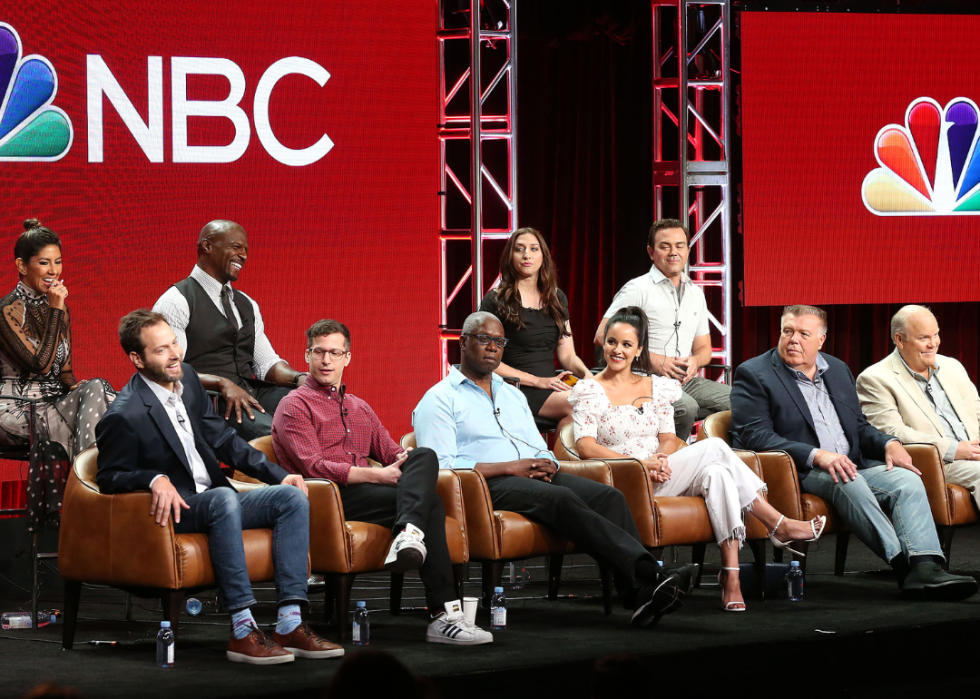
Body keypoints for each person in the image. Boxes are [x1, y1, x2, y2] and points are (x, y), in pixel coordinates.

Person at [413, 311, 699, 628]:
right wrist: (511, 467)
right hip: (486, 484)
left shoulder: (511, 394)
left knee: (609, 497)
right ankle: (652, 576)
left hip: (534, 474)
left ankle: (639, 596)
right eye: (484, 339)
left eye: (499, 341)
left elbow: (535, 444)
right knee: (561, 498)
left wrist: (546, 461)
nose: (493, 347)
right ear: (463, 343)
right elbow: (442, 467)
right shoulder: (439, 399)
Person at [96, 310, 342, 664]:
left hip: (216, 502)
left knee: (290, 498)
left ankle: (290, 622)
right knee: (224, 496)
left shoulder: (189, 380)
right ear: (137, 359)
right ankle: (242, 629)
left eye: (174, 344)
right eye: (161, 350)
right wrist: (153, 479)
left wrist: (277, 474)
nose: (174, 354)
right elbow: (109, 476)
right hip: (178, 510)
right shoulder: (125, 413)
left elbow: (225, 440)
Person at [571, 306, 824, 611]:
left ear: (639, 350)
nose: (617, 350)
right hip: (621, 479)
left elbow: (667, 438)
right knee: (714, 448)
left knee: (718, 472)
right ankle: (776, 523)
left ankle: (731, 578)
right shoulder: (590, 389)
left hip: (661, 474)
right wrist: (641, 464)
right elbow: (585, 446)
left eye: (626, 344)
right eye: (612, 342)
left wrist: (661, 460)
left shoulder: (656, 387)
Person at [730, 304, 977, 600]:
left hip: (853, 463)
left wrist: (888, 442)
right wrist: (817, 455)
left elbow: (859, 426)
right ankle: (904, 567)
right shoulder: (755, 373)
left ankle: (926, 565)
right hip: (801, 471)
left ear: (821, 340)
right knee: (846, 477)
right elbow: (755, 435)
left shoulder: (836, 369)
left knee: (906, 480)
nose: (793, 339)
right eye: (788, 331)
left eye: (803, 334)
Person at [271, 319, 493, 646]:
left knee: (425, 455)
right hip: (329, 498)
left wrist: (407, 460)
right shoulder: (294, 405)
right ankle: (444, 614)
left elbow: (391, 451)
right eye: (319, 352)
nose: (326, 361)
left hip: (370, 493)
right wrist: (378, 474)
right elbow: (313, 466)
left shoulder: (359, 407)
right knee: (430, 504)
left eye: (335, 353)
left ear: (348, 357)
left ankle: (410, 534)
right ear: (307, 356)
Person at [0, 219, 114, 531]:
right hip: (14, 409)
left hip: (52, 403)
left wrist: (84, 394)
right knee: (98, 399)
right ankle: (92, 498)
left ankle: (87, 495)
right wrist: (55, 311)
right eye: (44, 263)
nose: (54, 271)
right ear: (22, 266)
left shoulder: (58, 308)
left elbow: (64, 372)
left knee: (98, 388)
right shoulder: (7, 310)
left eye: (58, 262)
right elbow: (39, 364)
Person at [153, 220, 307, 440]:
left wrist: (300, 379)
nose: (243, 256)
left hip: (250, 391)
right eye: (235, 247)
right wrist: (221, 382)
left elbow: (266, 364)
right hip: (210, 399)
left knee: (314, 410)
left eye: (245, 250)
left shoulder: (247, 304)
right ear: (207, 246)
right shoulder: (176, 301)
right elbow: (167, 369)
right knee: (280, 437)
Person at [593, 219, 729, 438]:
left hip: (685, 381)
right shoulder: (637, 289)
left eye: (680, 245)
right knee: (686, 407)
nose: (673, 252)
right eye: (665, 246)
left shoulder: (696, 293)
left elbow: (704, 348)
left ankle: (715, 458)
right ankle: (673, 464)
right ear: (651, 252)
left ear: (688, 250)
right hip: (643, 377)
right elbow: (601, 337)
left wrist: (695, 361)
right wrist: (653, 359)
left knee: (741, 402)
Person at [857, 305, 980, 508]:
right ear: (899, 339)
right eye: (924, 338)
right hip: (938, 463)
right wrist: (953, 449)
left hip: (973, 452)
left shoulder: (952, 366)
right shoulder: (875, 378)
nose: (933, 344)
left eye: (936, 335)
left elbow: (976, 411)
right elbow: (892, 432)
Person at [478, 228, 591, 427]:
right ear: (510, 256)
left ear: (543, 256)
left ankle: (556, 459)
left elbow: (567, 355)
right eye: (519, 249)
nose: (527, 255)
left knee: (593, 402)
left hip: (551, 385)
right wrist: (538, 381)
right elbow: (489, 362)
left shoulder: (557, 298)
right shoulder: (496, 300)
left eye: (533, 249)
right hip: (514, 387)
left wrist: (589, 376)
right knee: (579, 405)